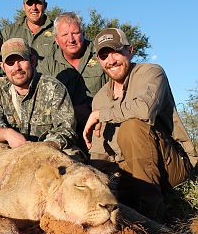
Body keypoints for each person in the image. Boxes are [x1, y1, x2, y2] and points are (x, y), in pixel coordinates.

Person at [83, 28, 198, 221]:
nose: (110, 61)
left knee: (132, 128)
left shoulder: (152, 72)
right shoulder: (100, 97)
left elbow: (144, 110)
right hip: (128, 169)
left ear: (130, 50)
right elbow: (99, 152)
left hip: (170, 167)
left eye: (116, 52)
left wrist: (100, 114)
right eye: (104, 56)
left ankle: (153, 218)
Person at [0, 38, 77, 152]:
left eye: (21, 60)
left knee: (71, 155)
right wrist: (8, 134)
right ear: (3, 67)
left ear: (33, 61)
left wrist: (43, 148)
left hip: (47, 150)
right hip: (11, 152)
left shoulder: (53, 87)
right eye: (10, 63)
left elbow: (67, 129)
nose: (17, 68)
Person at [41, 12, 108, 152]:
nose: (71, 39)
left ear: (83, 33)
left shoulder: (102, 53)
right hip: (65, 129)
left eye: (75, 33)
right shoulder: (46, 65)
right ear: (56, 39)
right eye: (64, 35)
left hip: (102, 125)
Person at [2, 0, 55, 69]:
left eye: (38, 3)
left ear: (45, 6)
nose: (34, 8)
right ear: (23, 6)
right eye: (29, 3)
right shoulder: (9, 31)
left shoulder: (57, 30)